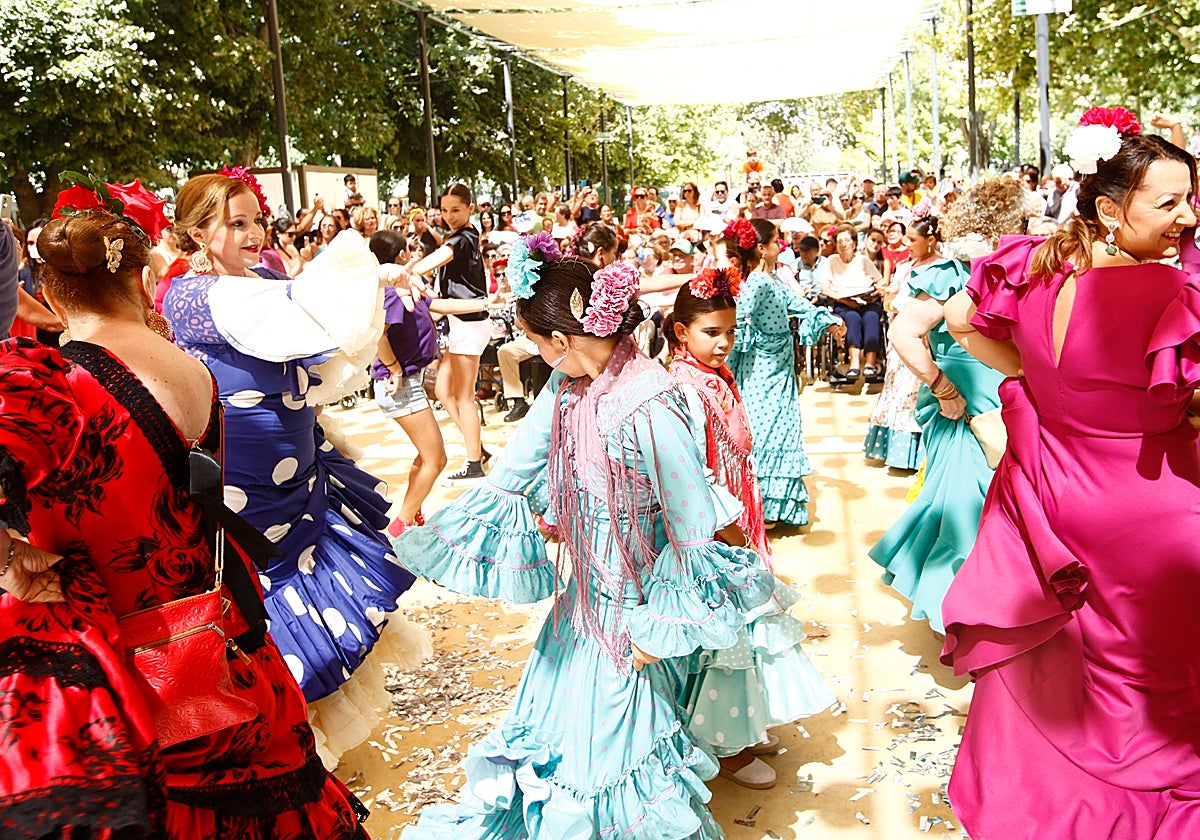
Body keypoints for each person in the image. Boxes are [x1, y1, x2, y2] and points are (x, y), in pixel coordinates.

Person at [0, 186, 369, 838]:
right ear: (140, 279)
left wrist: (15, 558)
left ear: (52, 296)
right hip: (219, 631)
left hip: (129, 659)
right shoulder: (185, 364)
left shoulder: (55, 389)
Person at [395, 242, 774, 838]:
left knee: (613, 747)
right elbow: (518, 468)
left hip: (635, 607)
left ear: (564, 340)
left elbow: (690, 523)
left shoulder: (650, 400)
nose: (534, 353)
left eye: (535, 342)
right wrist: (449, 529)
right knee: (572, 735)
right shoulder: (569, 382)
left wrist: (662, 622)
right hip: (584, 599)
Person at [939, 110, 1200, 839]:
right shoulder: (1172, 294)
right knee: (1161, 680)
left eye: (1190, 197)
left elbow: (961, 319)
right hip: (1155, 510)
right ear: (1111, 210)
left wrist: (1041, 377)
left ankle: (1057, 805)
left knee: (1083, 664)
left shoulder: (1038, 267)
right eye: (1171, 202)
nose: (1189, 214)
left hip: (1059, 495)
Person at [163, 170, 424, 770]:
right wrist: (372, 275)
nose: (255, 233)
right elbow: (301, 312)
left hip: (300, 475)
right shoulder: (193, 296)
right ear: (197, 231)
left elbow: (313, 335)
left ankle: (310, 749)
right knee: (266, 613)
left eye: (257, 220)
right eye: (237, 223)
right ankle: (288, 749)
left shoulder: (260, 281)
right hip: (246, 489)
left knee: (314, 601)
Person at [667, 270, 835, 790]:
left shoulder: (714, 378)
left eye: (730, 332)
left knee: (741, 634)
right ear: (680, 333)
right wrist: (730, 535)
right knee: (725, 638)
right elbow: (693, 472)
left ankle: (737, 727)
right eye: (710, 332)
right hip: (713, 536)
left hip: (737, 522)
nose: (723, 343)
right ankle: (727, 746)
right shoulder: (684, 388)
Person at [868, 178, 1024, 632]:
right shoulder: (954, 272)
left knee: (978, 511)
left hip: (999, 407)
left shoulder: (1007, 269)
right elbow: (902, 334)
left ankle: (969, 606)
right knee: (962, 511)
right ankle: (951, 612)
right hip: (966, 413)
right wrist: (944, 387)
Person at [724, 218, 844, 528]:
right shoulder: (760, 282)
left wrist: (828, 321)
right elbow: (737, 316)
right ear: (762, 249)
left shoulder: (772, 279)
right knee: (769, 427)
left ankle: (772, 506)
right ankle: (765, 506)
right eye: (777, 242)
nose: (783, 246)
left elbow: (799, 304)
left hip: (778, 364)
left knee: (780, 426)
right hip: (764, 368)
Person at [406, 184, 492, 483]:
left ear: (470, 209)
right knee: (443, 391)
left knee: (464, 397)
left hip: (470, 324)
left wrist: (408, 272)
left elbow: (431, 261)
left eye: (455, 209)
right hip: (462, 323)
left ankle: (474, 462)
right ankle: (477, 447)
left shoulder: (463, 237)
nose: (449, 216)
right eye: (444, 210)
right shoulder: (463, 237)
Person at [368, 230, 447, 536]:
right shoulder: (391, 293)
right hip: (400, 385)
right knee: (436, 459)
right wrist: (395, 369)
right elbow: (378, 336)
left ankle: (412, 513)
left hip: (406, 383)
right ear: (400, 256)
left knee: (427, 455)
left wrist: (476, 306)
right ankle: (402, 522)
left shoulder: (400, 288)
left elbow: (438, 308)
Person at [862, 216, 939, 472]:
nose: (907, 244)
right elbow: (893, 295)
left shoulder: (939, 268)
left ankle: (917, 453)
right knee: (897, 389)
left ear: (930, 241)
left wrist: (897, 303)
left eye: (913, 240)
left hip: (922, 339)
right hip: (899, 337)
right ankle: (896, 450)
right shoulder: (907, 266)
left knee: (914, 392)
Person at [819, 224, 887, 381]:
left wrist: (875, 292)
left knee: (871, 317)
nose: (843, 244)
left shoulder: (863, 260)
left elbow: (880, 281)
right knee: (852, 318)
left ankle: (870, 363)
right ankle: (854, 363)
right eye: (840, 241)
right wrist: (843, 299)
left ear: (855, 243)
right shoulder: (832, 261)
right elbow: (825, 288)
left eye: (847, 240)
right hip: (843, 302)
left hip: (867, 299)